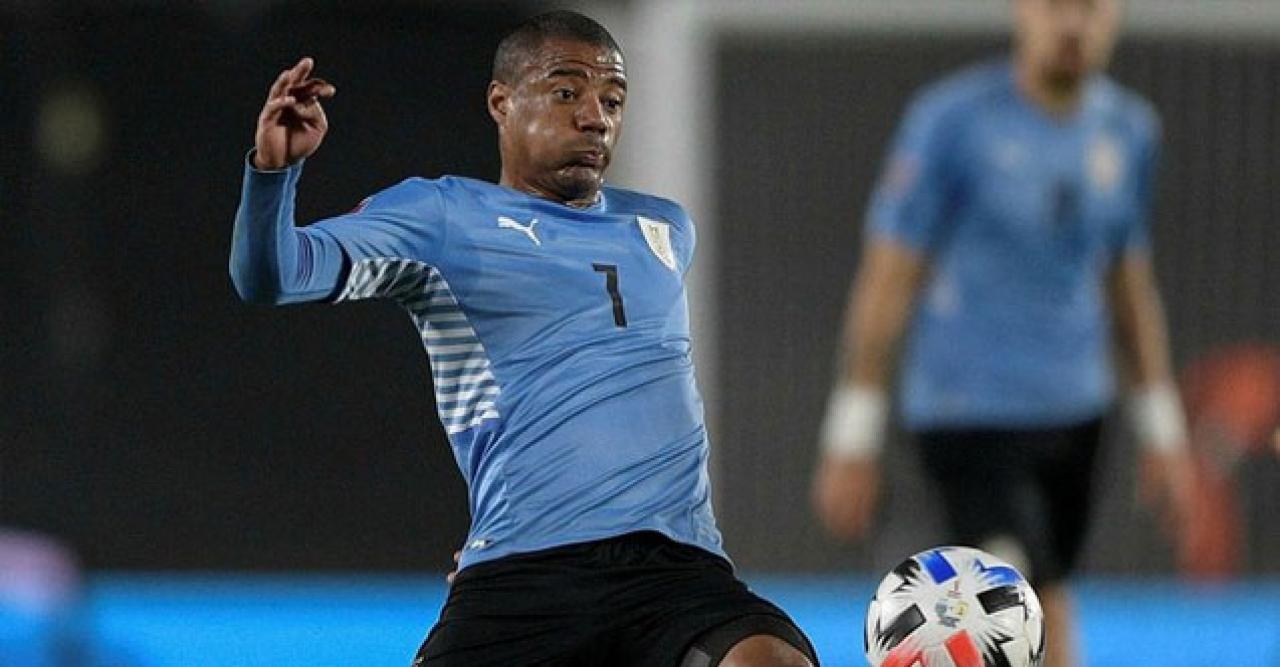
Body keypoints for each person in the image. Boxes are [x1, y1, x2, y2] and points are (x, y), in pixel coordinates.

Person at [230, 11, 816, 667]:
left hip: (677, 573)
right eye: (567, 92)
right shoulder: (441, 215)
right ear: (501, 102)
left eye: (612, 100)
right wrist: (273, 174)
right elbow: (274, 276)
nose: (595, 118)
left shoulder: (664, 228)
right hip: (523, 577)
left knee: (770, 661)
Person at [810, 1, 1191, 665]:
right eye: (1055, 5)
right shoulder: (952, 123)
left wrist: (1163, 429)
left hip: (1077, 412)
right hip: (969, 415)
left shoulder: (1129, 130)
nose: (1072, 25)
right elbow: (888, 278)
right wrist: (853, 430)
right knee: (1009, 609)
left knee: (1050, 596)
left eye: (1090, 7)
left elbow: (1128, 285)